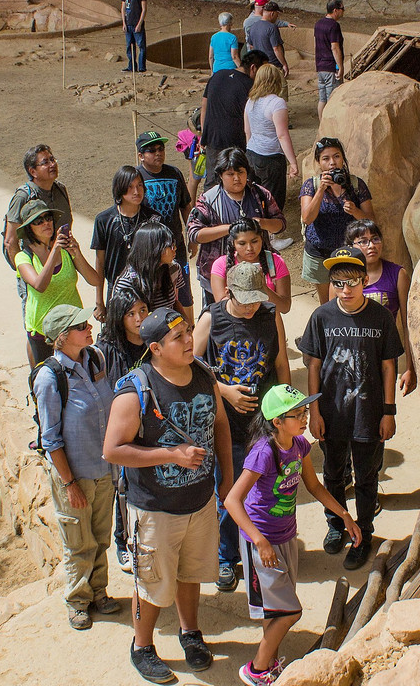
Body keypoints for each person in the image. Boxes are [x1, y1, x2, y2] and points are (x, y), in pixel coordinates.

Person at [103, 307, 234, 684]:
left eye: (189, 332)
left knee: (191, 573)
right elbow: (112, 450)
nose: (190, 340)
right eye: (179, 337)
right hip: (154, 509)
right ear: (156, 348)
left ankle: (190, 632)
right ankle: (142, 647)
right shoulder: (135, 390)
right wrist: (170, 455)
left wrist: (224, 478)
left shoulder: (205, 374)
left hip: (199, 501)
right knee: (151, 583)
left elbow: (221, 424)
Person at [224, 385, 361, 686]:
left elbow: (314, 486)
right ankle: (257, 670)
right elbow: (232, 501)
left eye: (305, 411)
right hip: (261, 542)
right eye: (296, 414)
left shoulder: (299, 445)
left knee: (275, 608)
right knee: (290, 610)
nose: (304, 418)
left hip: (286, 537)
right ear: (276, 422)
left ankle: (270, 662)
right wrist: (259, 541)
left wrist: (344, 515)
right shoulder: (263, 453)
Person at [298, 246, 403, 570]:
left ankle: (365, 534)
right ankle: (336, 524)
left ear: (364, 282)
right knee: (332, 472)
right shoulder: (322, 317)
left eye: (353, 282)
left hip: (369, 414)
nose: (345, 290)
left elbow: (388, 366)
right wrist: (314, 412)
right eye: (338, 283)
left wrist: (388, 411)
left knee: (367, 475)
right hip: (332, 412)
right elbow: (313, 366)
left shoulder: (380, 317)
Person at [194, 262, 292, 593]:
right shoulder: (212, 318)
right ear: (228, 292)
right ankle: (226, 557)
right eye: (245, 300)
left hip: (264, 423)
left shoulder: (270, 315)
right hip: (227, 423)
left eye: (257, 299)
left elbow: (280, 364)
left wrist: (287, 408)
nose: (252, 307)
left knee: (263, 490)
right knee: (229, 490)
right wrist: (224, 391)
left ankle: (259, 545)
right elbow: (191, 369)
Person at [33, 304, 120, 630]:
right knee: (77, 543)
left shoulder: (94, 358)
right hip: (76, 477)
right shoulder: (49, 377)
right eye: (80, 325)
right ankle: (77, 601)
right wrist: (69, 484)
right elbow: (51, 438)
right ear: (62, 337)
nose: (89, 327)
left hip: (103, 472)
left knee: (100, 538)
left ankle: (99, 593)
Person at [187, 148, 286, 307]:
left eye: (240, 172)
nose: (236, 178)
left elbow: (280, 224)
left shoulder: (260, 195)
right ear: (220, 175)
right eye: (230, 174)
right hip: (218, 273)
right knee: (220, 315)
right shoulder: (209, 199)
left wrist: (262, 223)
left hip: (256, 271)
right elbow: (194, 233)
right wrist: (231, 229)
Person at [95, 291, 150, 573]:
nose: (139, 318)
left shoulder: (155, 340)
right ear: (120, 318)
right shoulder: (105, 350)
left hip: (151, 427)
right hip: (122, 431)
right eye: (131, 314)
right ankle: (122, 541)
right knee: (122, 490)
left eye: (143, 310)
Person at [16, 200, 101, 366]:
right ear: (29, 228)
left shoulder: (65, 250)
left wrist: (76, 253)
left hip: (73, 327)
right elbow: (40, 285)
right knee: (48, 379)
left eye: (48, 218)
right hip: (43, 331)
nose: (46, 223)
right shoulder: (24, 257)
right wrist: (54, 251)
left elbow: (94, 280)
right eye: (38, 221)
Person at [345, 219, 417, 395]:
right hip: (349, 359)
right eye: (363, 241)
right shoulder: (341, 280)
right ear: (350, 246)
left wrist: (410, 367)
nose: (371, 245)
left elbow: (409, 324)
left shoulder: (398, 275)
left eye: (375, 239)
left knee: (382, 412)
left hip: (385, 360)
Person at [299, 137, 374, 304]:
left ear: (343, 158)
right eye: (326, 158)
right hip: (319, 252)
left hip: (349, 254)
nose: (332, 162)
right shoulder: (311, 185)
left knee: (350, 297)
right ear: (319, 162)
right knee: (326, 302)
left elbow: (371, 220)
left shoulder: (355, 184)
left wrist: (355, 211)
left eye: (336, 156)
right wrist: (320, 191)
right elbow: (307, 218)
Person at [136, 131, 195, 320]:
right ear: (140, 155)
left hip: (175, 247)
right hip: (149, 252)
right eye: (151, 150)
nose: (158, 153)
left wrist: (192, 235)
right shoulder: (136, 178)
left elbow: (186, 206)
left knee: (183, 292)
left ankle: (189, 332)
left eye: (160, 149)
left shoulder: (174, 173)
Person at [92, 165, 157, 322]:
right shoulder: (103, 220)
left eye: (140, 185)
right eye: (130, 187)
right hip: (116, 292)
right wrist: (99, 302)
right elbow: (100, 263)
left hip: (148, 292)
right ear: (120, 189)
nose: (136, 191)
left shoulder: (153, 219)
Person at [245, 63, 299, 250]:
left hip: (252, 153)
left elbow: (247, 131)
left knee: (254, 196)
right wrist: (293, 162)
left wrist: (250, 152)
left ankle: (255, 234)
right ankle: (272, 238)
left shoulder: (251, 101)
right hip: (270, 157)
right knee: (272, 198)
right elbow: (282, 134)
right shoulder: (276, 102)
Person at [200, 50, 268, 191]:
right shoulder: (250, 86)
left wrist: (204, 133)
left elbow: (204, 106)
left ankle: (207, 211)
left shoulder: (217, 75)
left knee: (212, 180)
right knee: (239, 179)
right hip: (237, 141)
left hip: (212, 137)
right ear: (253, 68)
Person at [4, 143, 73, 270]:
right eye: (45, 162)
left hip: (62, 267)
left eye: (52, 160)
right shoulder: (22, 197)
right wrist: (25, 273)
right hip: (36, 271)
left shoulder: (60, 189)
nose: (52, 164)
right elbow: (10, 241)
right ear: (33, 171)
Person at [112, 220, 191, 322]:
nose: (175, 248)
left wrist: (186, 324)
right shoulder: (127, 282)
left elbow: (175, 302)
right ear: (155, 249)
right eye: (170, 246)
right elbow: (121, 321)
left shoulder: (174, 269)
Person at [210, 218, 292, 315]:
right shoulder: (220, 265)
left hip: (269, 322)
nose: (249, 248)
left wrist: (263, 288)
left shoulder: (275, 262)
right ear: (233, 243)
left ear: (261, 238)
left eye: (254, 241)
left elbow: (285, 307)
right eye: (242, 243)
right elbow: (222, 306)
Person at [314, 0, 345, 119]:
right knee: (332, 99)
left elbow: (317, 44)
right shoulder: (334, 26)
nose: (343, 12)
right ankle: (330, 125)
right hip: (331, 67)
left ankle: (322, 124)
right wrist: (340, 67)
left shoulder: (318, 24)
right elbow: (335, 48)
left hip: (321, 66)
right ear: (335, 10)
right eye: (342, 9)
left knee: (322, 99)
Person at [252, 2, 290, 95]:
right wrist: (284, 64)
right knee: (280, 90)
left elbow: (251, 45)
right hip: (273, 65)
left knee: (264, 90)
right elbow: (276, 48)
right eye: (277, 14)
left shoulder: (254, 26)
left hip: (260, 65)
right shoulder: (272, 28)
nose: (277, 17)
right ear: (272, 13)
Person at [121, 0, 147, 73]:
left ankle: (141, 67)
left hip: (137, 22)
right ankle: (131, 66)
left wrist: (139, 23)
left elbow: (144, 9)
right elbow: (123, 8)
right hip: (128, 23)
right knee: (129, 46)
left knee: (140, 45)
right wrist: (123, 22)